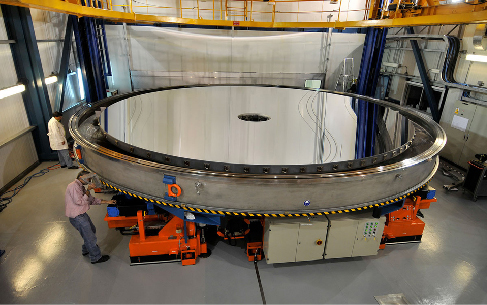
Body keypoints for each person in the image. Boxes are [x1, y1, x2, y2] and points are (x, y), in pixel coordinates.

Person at [66, 170, 115, 264]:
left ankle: (86, 249)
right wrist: (88, 190)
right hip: (77, 216)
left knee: (91, 230)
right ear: (81, 177)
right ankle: (95, 257)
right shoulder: (73, 186)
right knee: (90, 237)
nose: (89, 181)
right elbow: (80, 202)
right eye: (88, 179)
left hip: (81, 214)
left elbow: (90, 200)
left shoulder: (80, 187)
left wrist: (107, 202)